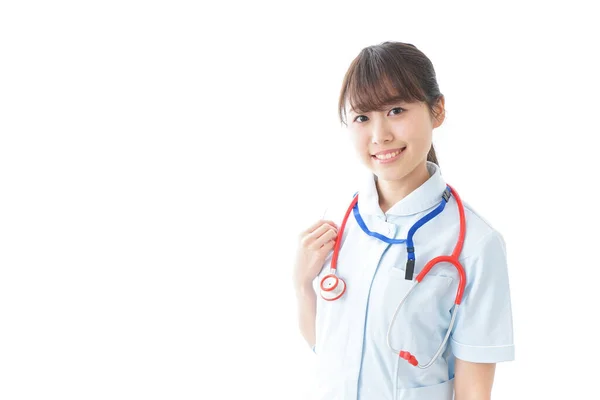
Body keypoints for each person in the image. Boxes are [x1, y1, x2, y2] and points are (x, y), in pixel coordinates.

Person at [292, 41, 515, 400]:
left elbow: (474, 392)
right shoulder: (336, 221)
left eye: (396, 110)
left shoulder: (475, 244)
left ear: (437, 110)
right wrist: (303, 285)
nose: (380, 136)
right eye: (362, 117)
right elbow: (328, 351)